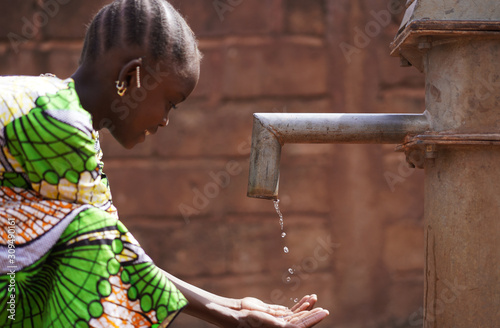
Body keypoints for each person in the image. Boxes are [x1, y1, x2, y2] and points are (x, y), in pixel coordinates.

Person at [0, 0, 330, 327]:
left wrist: (236, 305)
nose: (165, 121)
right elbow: (113, 251)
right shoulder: (61, 125)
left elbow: (121, 248)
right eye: (170, 103)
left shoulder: (46, 101)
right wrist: (234, 316)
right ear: (131, 78)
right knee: (86, 248)